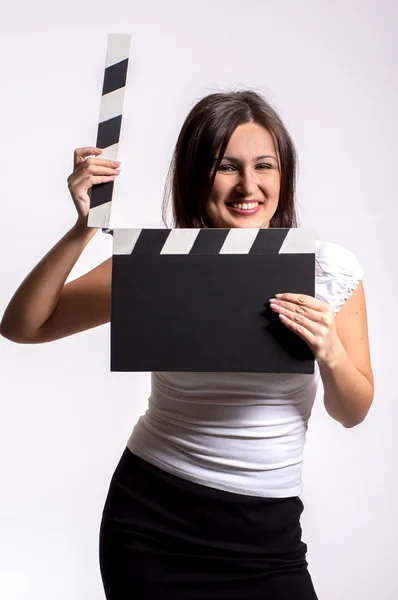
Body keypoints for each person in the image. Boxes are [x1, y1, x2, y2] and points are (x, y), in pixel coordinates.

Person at [0, 90, 374, 599]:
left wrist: (329, 351)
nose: (249, 185)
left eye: (265, 165)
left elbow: (353, 411)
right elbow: (24, 326)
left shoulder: (328, 268)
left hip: (269, 535)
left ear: (284, 175)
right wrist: (83, 229)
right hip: (154, 522)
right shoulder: (158, 265)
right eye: (226, 167)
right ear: (197, 175)